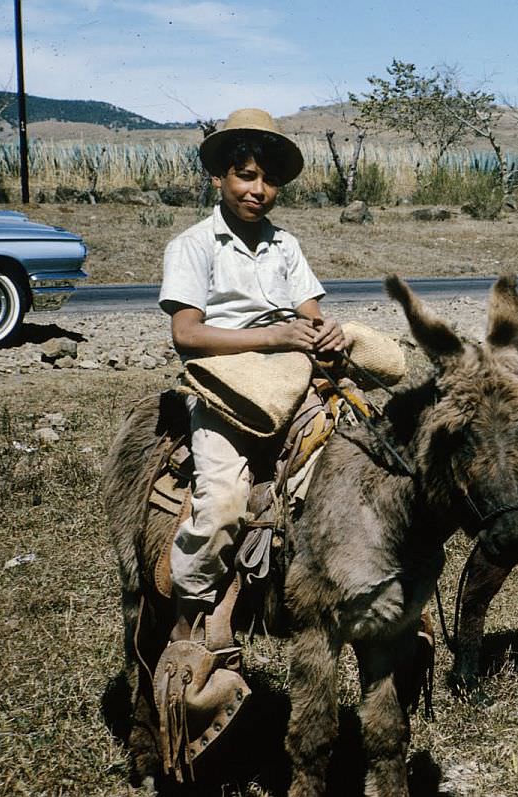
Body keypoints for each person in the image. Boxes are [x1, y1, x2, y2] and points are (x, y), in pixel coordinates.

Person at [158, 108, 347, 640]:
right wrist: (275, 336)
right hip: (224, 383)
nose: (258, 190)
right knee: (221, 502)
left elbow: (308, 313)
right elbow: (188, 334)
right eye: (246, 175)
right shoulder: (194, 245)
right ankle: (189, 618)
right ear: (220, 177)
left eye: (269, 180)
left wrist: (323, 333)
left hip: (291, 372)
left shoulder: (285, 245)